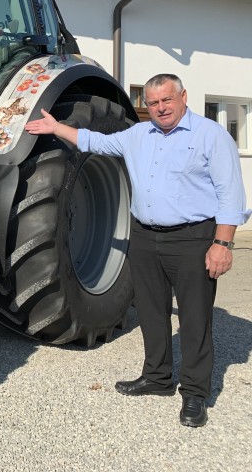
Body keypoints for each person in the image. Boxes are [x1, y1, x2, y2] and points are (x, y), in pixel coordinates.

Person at [25, 73, 249, 427]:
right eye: (154, 102)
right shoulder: (138, 135)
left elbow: (231, 196)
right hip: (144, 237)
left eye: (167, 100)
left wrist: (222, 244)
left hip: (192, 239)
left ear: (183, 97)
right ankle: (157, 378)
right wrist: (56, 127)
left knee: (194, 318)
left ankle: (194, 393)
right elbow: (94, 141)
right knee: (151, 311)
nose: (160, 108)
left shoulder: (211, 136)